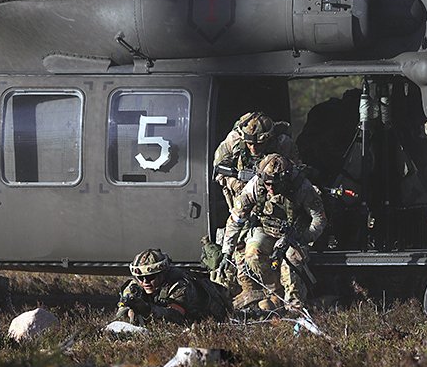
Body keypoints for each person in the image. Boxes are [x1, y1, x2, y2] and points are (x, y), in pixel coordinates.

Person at [223, 154, 326, 311]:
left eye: (274, 184)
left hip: (295, 234)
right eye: (267, 183)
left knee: (291, 260)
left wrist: (304, 237)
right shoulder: (256, 186)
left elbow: (319, 219)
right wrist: (226, 252)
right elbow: (236, 219)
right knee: (252, 254)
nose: (270, 187)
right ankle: (275, 292)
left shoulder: (302, 187)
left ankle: (294, 304)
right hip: (266, 229)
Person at [212, 111, 299, 295]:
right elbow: (218, 171)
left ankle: (277, 292)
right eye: (249, 143)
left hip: (275, 197)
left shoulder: (283, 144)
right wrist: (240, 184)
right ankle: (253, 291)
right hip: (243, 195)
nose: (253, 148)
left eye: (259, 144)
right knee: (239, 251)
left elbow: (295, 173)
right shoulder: (234, 140)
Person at [115, 248, 231, 325]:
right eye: (140, 278)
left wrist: (147, 309)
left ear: (162, 274)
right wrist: (129, 311)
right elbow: (121, 313)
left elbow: (177, 316)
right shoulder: (134, 287)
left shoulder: (180, 285)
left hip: (210, 313)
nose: (145, 282)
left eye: (151, 277)